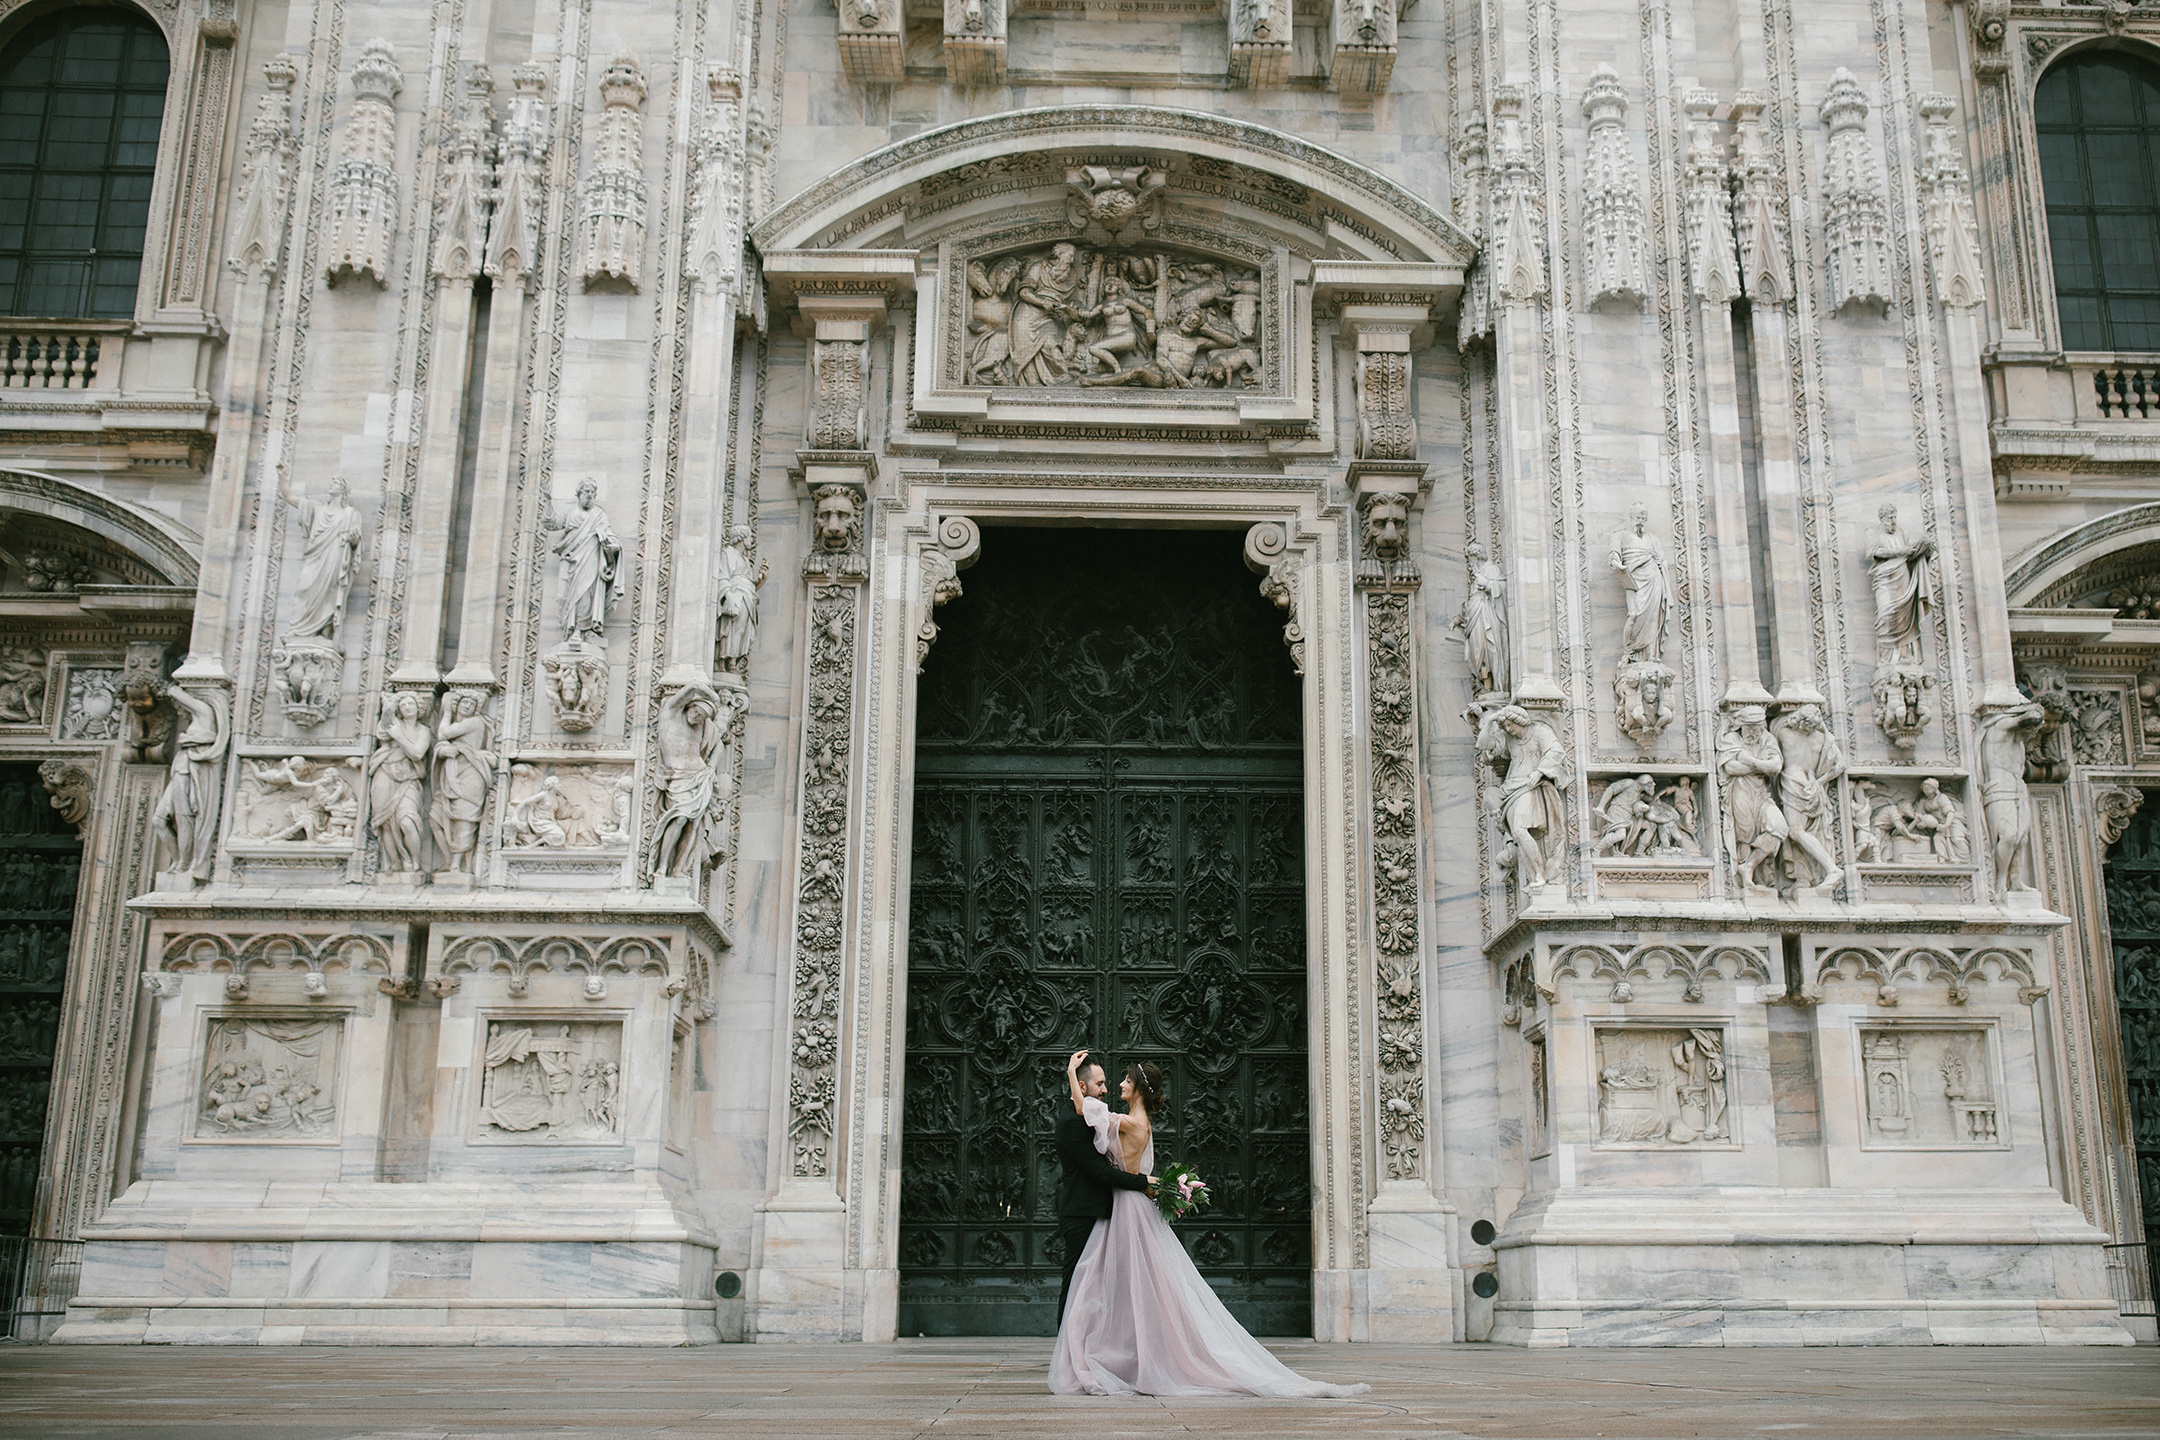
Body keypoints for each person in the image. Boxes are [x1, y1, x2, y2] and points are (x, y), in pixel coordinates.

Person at [1049, 1051, 1370, 1398]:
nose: (1115, 1086)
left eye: (1124, 1081)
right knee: (1129, 1284)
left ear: (1138, 1089)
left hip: (1126, 1206)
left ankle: (1127, 1353)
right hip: (1123, 1204)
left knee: (1125, 1284)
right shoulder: (1135, 1120)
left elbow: (1087, 1112)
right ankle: (1123, 1352)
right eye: (1106, 1082)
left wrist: (1070, 1072)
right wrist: (1155, 1183)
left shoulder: (1131, 1122)